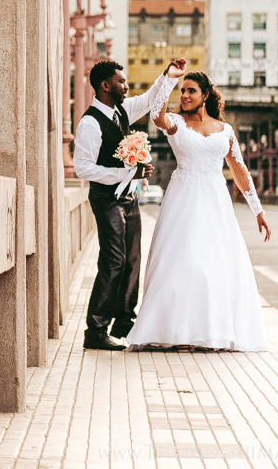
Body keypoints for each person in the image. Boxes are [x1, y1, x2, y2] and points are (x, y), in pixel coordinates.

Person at [127, 71, 272, 351]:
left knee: (216, 266)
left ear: (205, 95)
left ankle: (210, 334)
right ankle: (177, 332)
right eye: (183, 90)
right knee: (184, 263)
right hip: (183, 200)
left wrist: (258, 210)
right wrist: (169, 78)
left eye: (191, 90)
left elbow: (239, 171)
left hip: (216, 203)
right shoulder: (176, 123)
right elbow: (156, 113)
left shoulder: (225, 130)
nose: (185, 95)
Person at [73, 57, 185, 351]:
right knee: (113, 261)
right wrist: (126, 171)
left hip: (128, 196)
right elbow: (83, 167)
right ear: (105, 85)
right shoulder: (89, 123)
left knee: (132, 259)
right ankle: (95, 330)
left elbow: (150, 100)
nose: (125, 86)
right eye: (121, 82)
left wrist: (168, 76)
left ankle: (124, 321)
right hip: (106, 199)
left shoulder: (121, 111)